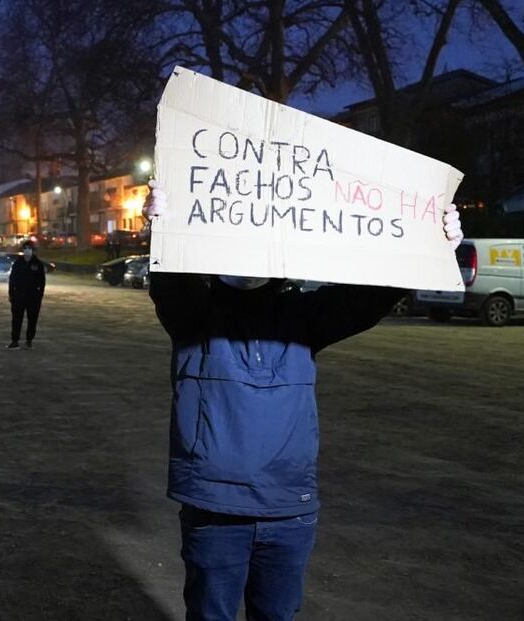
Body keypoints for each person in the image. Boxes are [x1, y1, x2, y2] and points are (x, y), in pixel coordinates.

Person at [144, 180, 464, 621]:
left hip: (289, 512)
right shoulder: (193, 313)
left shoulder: (303, 316)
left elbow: (367, 297)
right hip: (216, 512)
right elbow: (171, 282)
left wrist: (428, 242)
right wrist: (164, 226)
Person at [7, 240, 46, 350]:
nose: (27, 251)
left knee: (32, 319)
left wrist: (40, 295)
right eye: (25, 248)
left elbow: (42, 281)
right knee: (16, 319)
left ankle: (29, 341)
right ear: (23, 250)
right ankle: (15, 341)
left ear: (33, 250)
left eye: (29, 248)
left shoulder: (37, 264)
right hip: (18, 295)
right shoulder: (18, 263)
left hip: (33, 297)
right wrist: (11, 293)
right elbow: (12, 279)